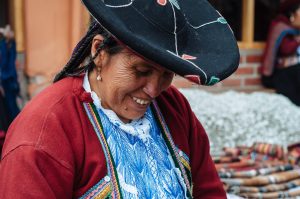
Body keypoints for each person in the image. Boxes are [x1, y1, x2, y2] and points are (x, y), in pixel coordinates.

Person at [0, 1, 239, 198]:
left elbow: (209, 192)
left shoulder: (173, 107)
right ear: (99, 52)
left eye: (167, 73)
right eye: (141, 71)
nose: (154, 89)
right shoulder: (43, 134)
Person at [261, 0, 300, 106]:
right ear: (292, 13)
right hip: (283, 73)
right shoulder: (280, 26)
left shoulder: (296, 30)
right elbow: (285, 49)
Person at [0, 25, 20, 122]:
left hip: (8, 78)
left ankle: (15, 122)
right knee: (10, 105)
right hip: (8, 78)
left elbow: (4, 63)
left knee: (11, 105)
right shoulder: (7, 45)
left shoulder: (7, 45)